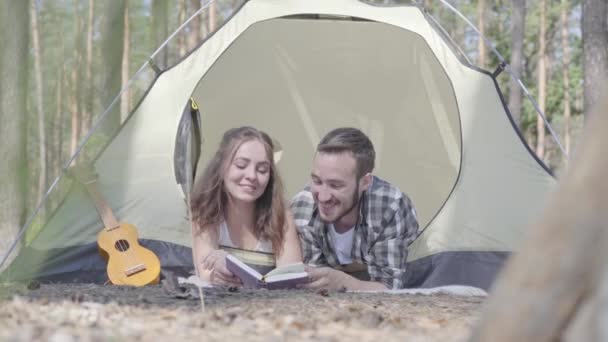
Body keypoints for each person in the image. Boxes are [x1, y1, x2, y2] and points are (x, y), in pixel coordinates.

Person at [291, 127, 419, 290]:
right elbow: (315, 283)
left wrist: (344, 283)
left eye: (335, 185)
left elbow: (391, 288)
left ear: (365, 182)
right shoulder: (303, 206)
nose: (322, 197)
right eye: (317, 181)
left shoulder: (390, 206)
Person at [190, 126, 302, 286]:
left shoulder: (282, 214)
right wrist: (219, 271)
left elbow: (291, 278)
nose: (251, 176)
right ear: (221, 167)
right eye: (241, 165)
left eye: (262, 169)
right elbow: (207, 275)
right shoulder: (205, 210)